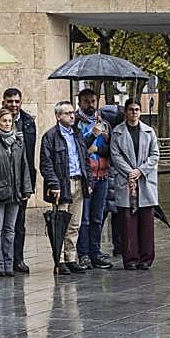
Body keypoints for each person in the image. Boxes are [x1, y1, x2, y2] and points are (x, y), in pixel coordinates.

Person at [0, 88, 36, 273]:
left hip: (16, 191)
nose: (7, 123)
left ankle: (10, 262)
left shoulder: (20, 138)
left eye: (9, 121)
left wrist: (26, 188)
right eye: (3, 120)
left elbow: (25, 165)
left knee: (12, 229)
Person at [39, 101, 89, 276]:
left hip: (79, 181)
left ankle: (71, 258)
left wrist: (88, 180)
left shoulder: (77, 134)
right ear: (58, 116)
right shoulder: (50, 136)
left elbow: (85, 159)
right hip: (62, 184)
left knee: (74, 224)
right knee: (59, 224)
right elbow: (46, 164)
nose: (72, 116)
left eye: (72, 112)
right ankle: (59, 261)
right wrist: (54, 184)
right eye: (67, 113)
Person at [111, 99, 160, 270]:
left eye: (137, 109)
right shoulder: (117, 132)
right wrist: (130, 172)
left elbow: (155, 154)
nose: (134, 112)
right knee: (127, 222)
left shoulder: (149, 132)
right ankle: (131, 258)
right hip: (127, 181)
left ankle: (146, 258)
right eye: (131, 109)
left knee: (146, 222)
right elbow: (115, 156)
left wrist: (140, 170)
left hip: (145, 181)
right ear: (125, 112)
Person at [74, 89, 114, 270]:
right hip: (86, 176)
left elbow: (111, 150)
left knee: (98, 217)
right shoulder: (76, 123)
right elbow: (78, 148)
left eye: (93, 101)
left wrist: (99, 147)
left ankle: (95, 252)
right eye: (86, 101)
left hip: (103, 175)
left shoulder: (104, 123)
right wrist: (93, 135)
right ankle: (83, 254)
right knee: (84, 219)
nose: (90, 105)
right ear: (79, 103)